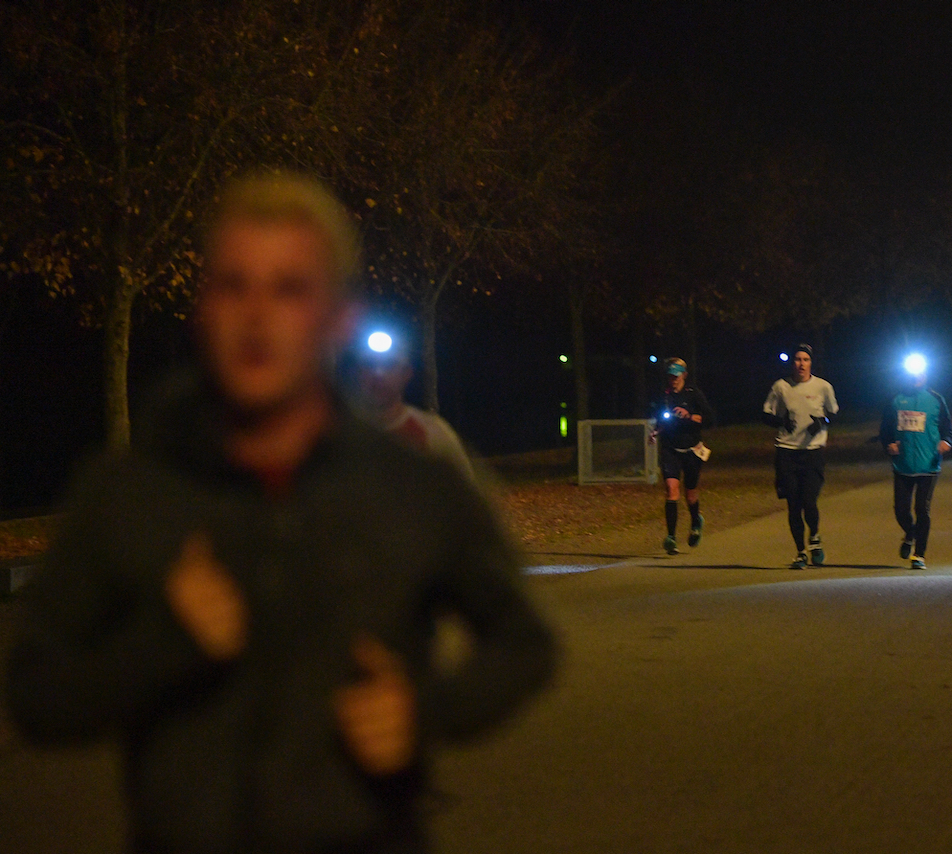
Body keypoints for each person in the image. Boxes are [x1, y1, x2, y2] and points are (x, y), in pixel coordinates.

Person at [5, 172, 557, 854]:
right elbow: (35, 693)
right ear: (203, 306)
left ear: (337, 318)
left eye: (290, 288)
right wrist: (162, 645)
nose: (257, 315)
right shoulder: (130, 489)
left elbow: (524, 643)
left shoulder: (412, 485)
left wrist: (422, 713)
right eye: (234, 285)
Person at [354, 330, 473, 478]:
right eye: (369, 364)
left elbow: (465, 492)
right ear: (357, 372)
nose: (379, 374)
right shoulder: (332, 433)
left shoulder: (434, 434)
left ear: (406, 374)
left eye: (390, 365)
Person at [762, 344, 838, 569]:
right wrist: (781, 421)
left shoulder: (823, 387)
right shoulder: (781, 386)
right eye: (797, 359)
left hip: (813, 451)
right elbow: (766, 414)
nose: (801, 364)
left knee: (809, 500)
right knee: (793, 504)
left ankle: (814, 537)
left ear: (811, 363)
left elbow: (833, 413)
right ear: (792, 363)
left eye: (805, 359)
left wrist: (820, 422)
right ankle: (800, 552)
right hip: (787, 451)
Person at [879, 357, 952, 570]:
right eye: (912, 374)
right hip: (902, 466)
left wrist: (945, 443)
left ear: (926, 375)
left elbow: (947, 430)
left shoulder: (936, 400)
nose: (916, 378)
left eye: (920, 373)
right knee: (901, 510)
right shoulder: (895, 399)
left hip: (928, 466)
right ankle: (910, 532)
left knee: (922, 509)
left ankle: (919, 554)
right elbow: (884, 431)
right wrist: (889, 445)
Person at [651, 357, 714, 555]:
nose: (673, 380)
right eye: (670, 377)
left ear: (684, 375)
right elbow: (661, 419)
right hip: (670, 448)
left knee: (691, 494)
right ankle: (671, 537)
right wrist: (655, 431)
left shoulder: (693, 394)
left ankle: (696, 521)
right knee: (671, 489)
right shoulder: (665, 396)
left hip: (692, 450)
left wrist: (688, 416)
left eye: (676, 376)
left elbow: (710, 418)